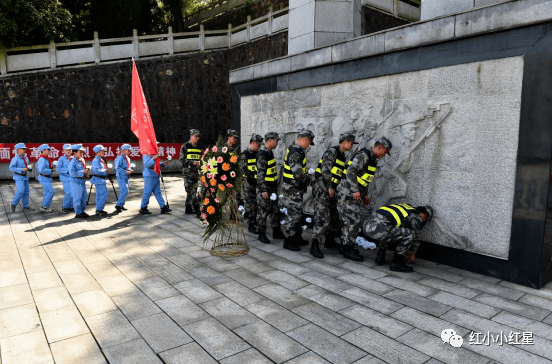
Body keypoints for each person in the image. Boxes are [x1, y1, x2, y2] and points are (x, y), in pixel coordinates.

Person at [336, 136, 392, 261]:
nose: (384, 155)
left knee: (349, 220)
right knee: (352, 221)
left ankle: (345, 246)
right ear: (380, 147)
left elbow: (364, 180)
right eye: (384, 152)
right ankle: (348, 249)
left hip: (353, 193)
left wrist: (364, 194)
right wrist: (355, 190)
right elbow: (350, 171)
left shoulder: (372, 159)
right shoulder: (364, 155)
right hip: (347, 193)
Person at [310, 133, 357, 259]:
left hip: (331, 190)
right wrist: (330, 187)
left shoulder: (341, 155)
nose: (352, 146)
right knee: (322, 217)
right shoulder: (332, 151)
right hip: (322, 189)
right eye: (351, 143)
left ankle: (329, 240)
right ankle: (315, 245)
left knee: (334, 215)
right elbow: (325, 170)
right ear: (345, 141)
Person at [363, 203, 433, 272]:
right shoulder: (416, 217)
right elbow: (416, 236)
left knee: (391, 231)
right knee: (410, 234)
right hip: (378, 229)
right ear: (424, 215)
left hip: (367, 224)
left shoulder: (406, 207)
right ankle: (396, 263)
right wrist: (413, 252)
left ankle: (380, 257)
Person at [279, 129, 315, 251]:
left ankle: (296, 237)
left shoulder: (296, 150)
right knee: (293, 215)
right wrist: (310, 179)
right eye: (309, 142)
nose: (308, 145)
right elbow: (298, 174)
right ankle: (289, 240)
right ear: (305, 139)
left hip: (295, 189)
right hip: (292, 190)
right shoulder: (295, 152)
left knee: (298, 214)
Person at [256, 132, 284, 243]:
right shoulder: (262, 155)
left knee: (275, 211)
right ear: (270, 140)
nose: (277, 143)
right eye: (276, 140)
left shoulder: (269, 153)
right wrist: (263, 190)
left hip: (272, 188)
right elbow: (260, 175)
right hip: (265, 189)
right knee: (263, 212)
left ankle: (276, 231)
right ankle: (261, 234)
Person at [240, 133, 263, 234]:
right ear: (253, 143)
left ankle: (254, 222)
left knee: (255, 204)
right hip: (248, 184)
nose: (259, 147)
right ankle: (250, 225)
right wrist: (254, 176)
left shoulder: (257, 154)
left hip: (256, 184)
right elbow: (244, 170)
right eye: (258, 145)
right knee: (250, 205)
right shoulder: (245, 154)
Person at [179, 129, 202, 217]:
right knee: (192, 192)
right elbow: (181, 159)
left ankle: (188, 208)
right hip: (187, 173)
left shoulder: (199, 147)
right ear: (191, 136)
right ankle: (197, 210)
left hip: (196, 173)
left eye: (198, 136)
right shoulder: (185, 146)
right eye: (195, 136)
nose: (197, 138)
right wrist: (192, 162)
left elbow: (201, 157)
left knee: (192, 191)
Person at [9, 143, 34, 212]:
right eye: (23, 149)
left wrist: (30, 167)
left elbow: (28, 166)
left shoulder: (26, 158)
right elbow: (11, 168)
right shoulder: (15, 159)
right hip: (18, 177)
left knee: (26, 192)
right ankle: (13, 204)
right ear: (18, 150)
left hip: (25, 177)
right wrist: (21, 169)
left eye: (25, 149)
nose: (25, 150)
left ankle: (25, 206)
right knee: (20, 191)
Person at [68, 144, 90, 218]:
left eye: (82, 152)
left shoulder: (81, 160)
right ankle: (78, 213)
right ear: (74, 153)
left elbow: (83, 169)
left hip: (82, 181)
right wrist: (82, 172)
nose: (81, 153)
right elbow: (72, 173)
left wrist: (86, 174)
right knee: (77, 198)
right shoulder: (72, 162)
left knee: (83, 197)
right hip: (75, 182)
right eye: (80, 152)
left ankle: (82, 211)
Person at [91, 145, 110, 216]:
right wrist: (105, 170)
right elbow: (96, 171)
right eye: (102, 151)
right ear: (98, 152)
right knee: (104, 194)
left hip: (101, 179)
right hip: (98, 179)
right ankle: (99, 209)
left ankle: (99, 209)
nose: (104, 152)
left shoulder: (100, 159)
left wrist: (106, 171)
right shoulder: (96, 160)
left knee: (99, 195)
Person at [36, 144, 55, 213]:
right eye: (48, 149)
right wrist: (51, 170)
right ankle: (45, 206)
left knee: (47, 192)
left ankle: (44, 207)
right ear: (43, 151)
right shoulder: (42, 159)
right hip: (44, 177)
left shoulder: (46, 159)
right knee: (51, 191)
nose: (49, 151)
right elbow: (41, 170)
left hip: (46, 178)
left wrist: (52, 167)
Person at [114, 144, 133, 212]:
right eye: (128, 150)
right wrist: (125, 171)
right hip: (121, 176)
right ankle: (118, 205)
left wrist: (130, 170)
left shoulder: (127, 158)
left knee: (126, 191)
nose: (129, 151)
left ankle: (121, 204)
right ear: (124, 150)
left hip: (126, 176)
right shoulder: (119, 158)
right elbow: (117, 167)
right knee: (124, 190)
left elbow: (127, 166)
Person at [57, 144, 74, 214]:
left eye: (70, 150)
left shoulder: (74, 158)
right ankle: (64, 206)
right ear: (63, 151)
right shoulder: (61, 159)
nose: (68, 151)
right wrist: (67, 171)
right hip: (65, 178)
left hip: (73, 178)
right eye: (67, 150)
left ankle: (70, 206)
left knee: (73, 192)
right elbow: (58, 169)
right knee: (68, 192)